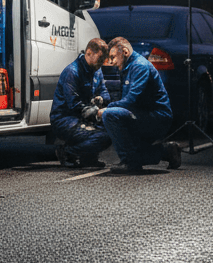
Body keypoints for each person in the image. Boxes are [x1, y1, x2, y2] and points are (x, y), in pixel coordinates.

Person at [96, 36, 181, 174]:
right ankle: (166, 151)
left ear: (124, 51)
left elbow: (130, 101)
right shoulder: (127, 66)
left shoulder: (139, 66)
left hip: (157, 118)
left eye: (113, 57)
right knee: (134, 151)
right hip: (144, 114)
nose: (112, 62)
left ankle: (130, 163)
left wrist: (107, 108)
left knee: (110, 115)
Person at [50, 37, 112, 167]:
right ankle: (68, 152)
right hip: (65, 118)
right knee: (101, 136)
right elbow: (74, 105)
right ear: (88, 53)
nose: (102, 63)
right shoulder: (72, 72)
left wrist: (101, 99)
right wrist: (95, 111)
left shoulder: (97, 70)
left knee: (112, 130)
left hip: (84, 116)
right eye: (100, 58)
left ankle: (88, 158)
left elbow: (104, 92)